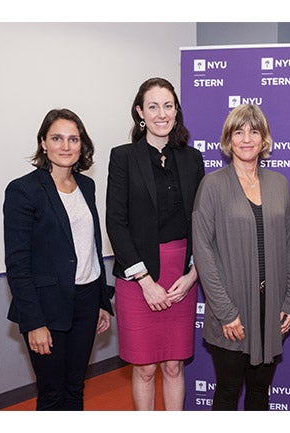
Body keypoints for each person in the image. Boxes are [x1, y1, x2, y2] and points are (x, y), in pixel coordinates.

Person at [4, 108, 113, 410]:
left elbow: (89, 247)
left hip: (87, 300)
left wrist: (102, 301)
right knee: (52, 394)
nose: (65, 146)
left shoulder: (87, 186)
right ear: (43, 143)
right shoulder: (23, 191)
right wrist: (34, 322)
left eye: (73, 139)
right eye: (57, 138)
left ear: (82, 145)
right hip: (46, 307)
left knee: (75, 388)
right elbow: (17, 263)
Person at [192, 104, 290, 410]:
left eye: (254, 131)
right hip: (233, 313)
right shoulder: (212, 185)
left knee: (259, 393)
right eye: (239, 132)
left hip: (271, 311)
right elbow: (203, 252)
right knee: (227, 392)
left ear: (264, 137)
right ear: (228, 139)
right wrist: (225, 312)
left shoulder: (279, 184)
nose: (247, 138)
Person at [106, 77, 204, 411]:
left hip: (182, 274)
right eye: (153, 106)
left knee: (174, 365)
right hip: (138, 276)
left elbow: (203, 224)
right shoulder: (123, 158)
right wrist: (145, 281)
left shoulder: (193, 159)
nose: (161, 113)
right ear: (140, 113)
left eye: (168, 105)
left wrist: (193, 275)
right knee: (145, 367)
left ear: (176, 111)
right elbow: (115, 223)